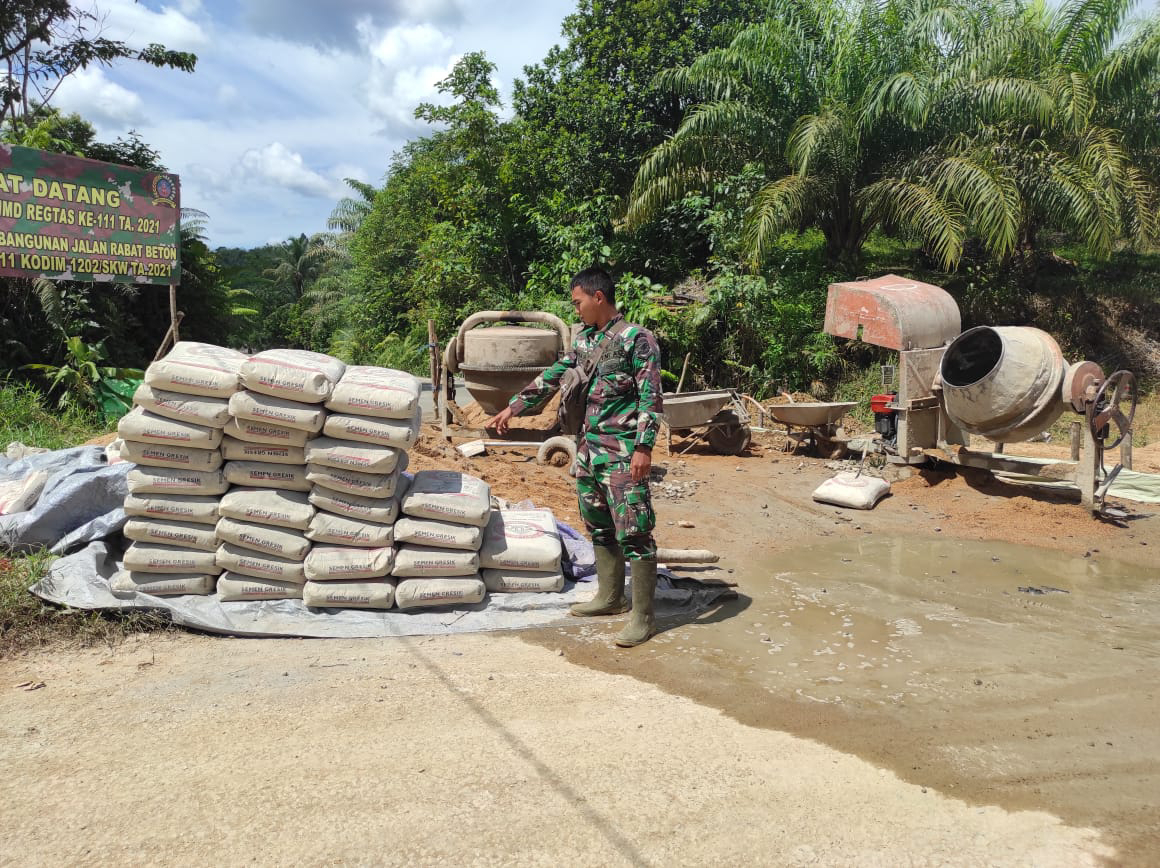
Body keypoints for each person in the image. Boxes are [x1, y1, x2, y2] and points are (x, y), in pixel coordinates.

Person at [489, 267, 663, 647]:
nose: (576, 309)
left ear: (598, 297)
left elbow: (651, 398)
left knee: (634, 530)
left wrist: (644, 447)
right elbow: (554, 375)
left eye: (578, 301)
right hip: (588, 452)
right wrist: (514, 408)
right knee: (598, 526)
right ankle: (610, 597)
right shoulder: (583, 340)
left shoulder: (638, 340)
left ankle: (643, 617)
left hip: (622, 453)